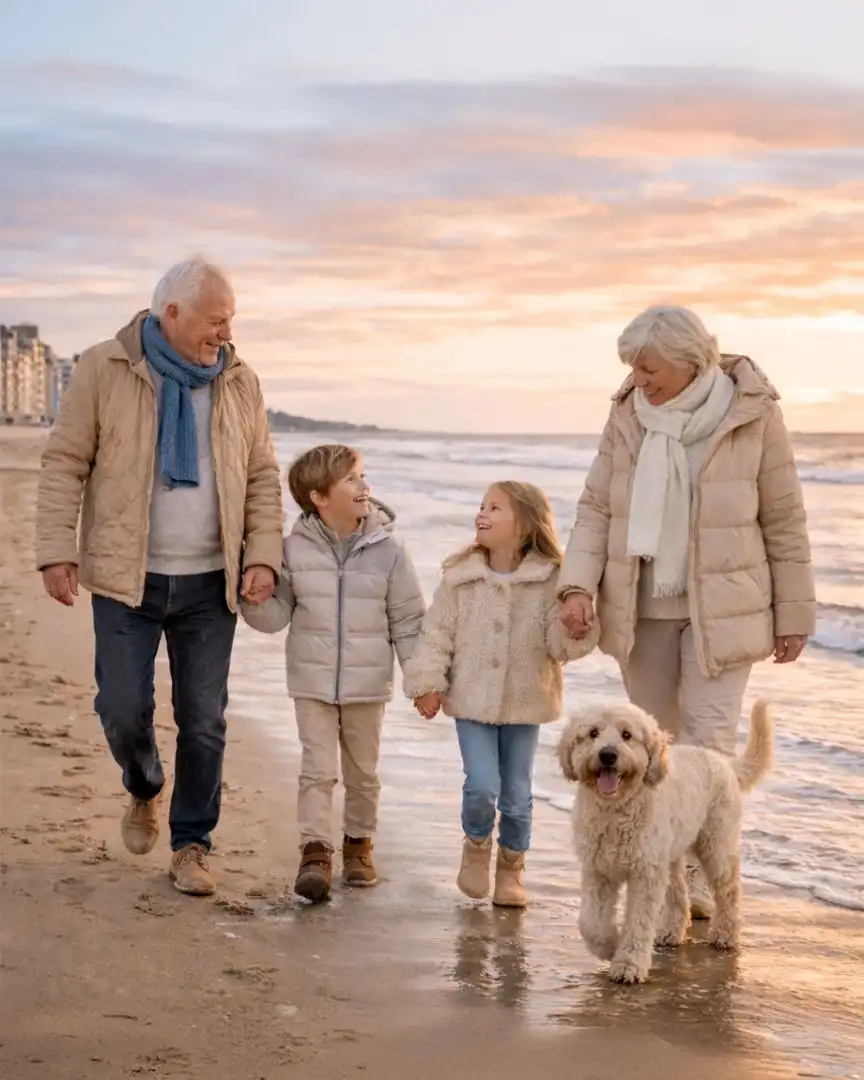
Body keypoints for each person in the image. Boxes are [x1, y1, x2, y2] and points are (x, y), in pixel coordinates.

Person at [35, 256, 283, 897]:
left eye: (230, 321)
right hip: (126, 576)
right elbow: (65, 464)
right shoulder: (104, 367)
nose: (225, 334)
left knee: (204, 719)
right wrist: (56, 550)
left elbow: (260, 476)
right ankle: (144, 783)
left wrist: (262, 555)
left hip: (210, 581)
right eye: (215, 320)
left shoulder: (240, 381)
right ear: (171, 314)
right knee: (122, 709)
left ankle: (192, 844)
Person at [557, 304, 816, 917]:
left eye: (648, 367)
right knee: (651, 746)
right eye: (634, 369)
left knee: (709, 743)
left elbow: (783, 516)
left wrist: (794, 612)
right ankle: (660, 866)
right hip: (640, 607)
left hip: (724, 609)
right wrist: (576, 587)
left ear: (688, 357)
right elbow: (596, 507)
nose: (639, 379)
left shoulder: (753, 411)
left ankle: (702, 875)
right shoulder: (627, 414)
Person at [240, 444, 426, 902]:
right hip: (312, 681)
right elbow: (277, 615)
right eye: (352, 480)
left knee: (363, 773)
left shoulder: (390, 551)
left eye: (363, 476)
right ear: (319, 497)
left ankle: (359, 845)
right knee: (317, 771)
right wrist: (252, 599)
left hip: (367, 685)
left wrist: (422, 682)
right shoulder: (292, 549)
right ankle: (315, 853)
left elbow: (408, 621)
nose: (365, 487)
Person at [404, 481, 599, 909]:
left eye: (495, 508)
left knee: (515, 792)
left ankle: (512, 866)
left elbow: (558, 647)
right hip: (470, 700)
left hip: (525, 702)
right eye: (481, 506)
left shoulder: (550, 581)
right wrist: (427, 684)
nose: (482, 514)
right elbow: (436, 635)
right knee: (481, 784)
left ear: (526, 524)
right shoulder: (461, 578)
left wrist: (576, 629)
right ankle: (476, 847)